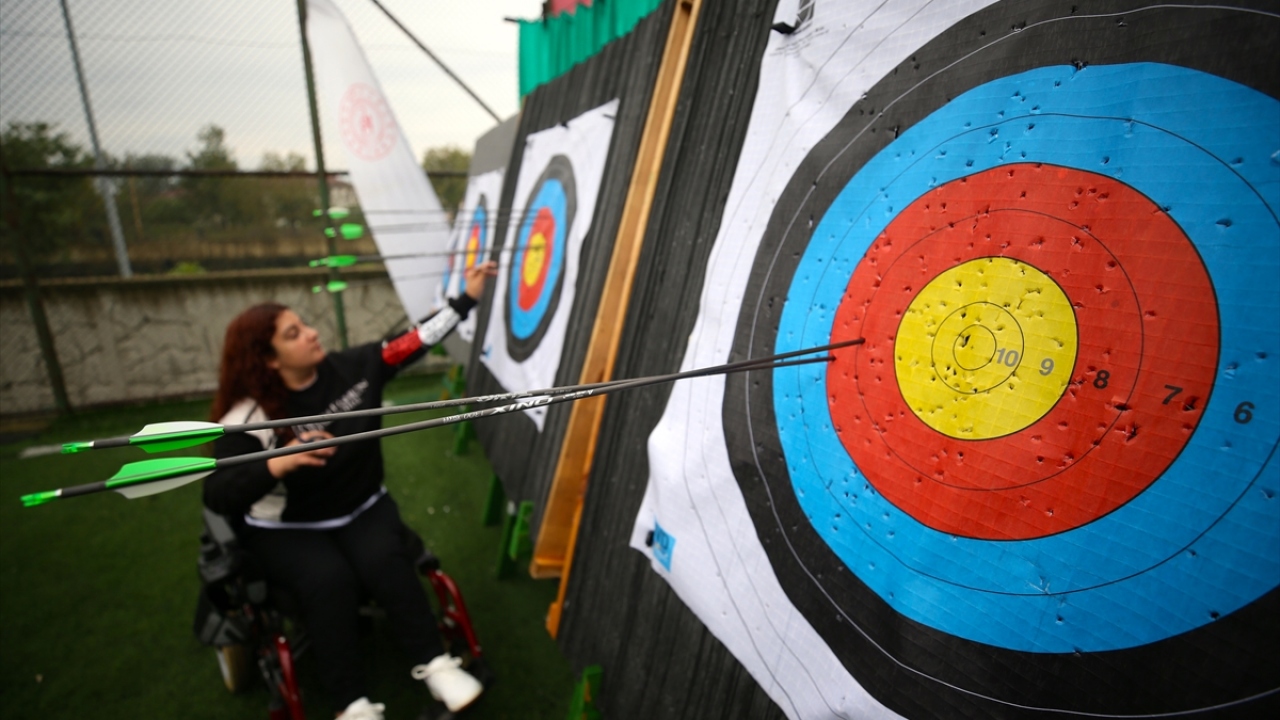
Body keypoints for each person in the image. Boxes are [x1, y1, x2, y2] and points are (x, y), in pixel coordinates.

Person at [203, 261, 497, 720]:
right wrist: (279, 461)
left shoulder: (357, 367)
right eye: (294, 334)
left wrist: (466, 300)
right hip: (287, 529)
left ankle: (436, 663)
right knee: (328, 580)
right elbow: (218, 493)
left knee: (385, 560)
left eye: (305, 325)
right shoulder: (247, 417)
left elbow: (414, 340)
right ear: (269, 360)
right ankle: (351, 704)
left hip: (361, 507)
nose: (313, 334)